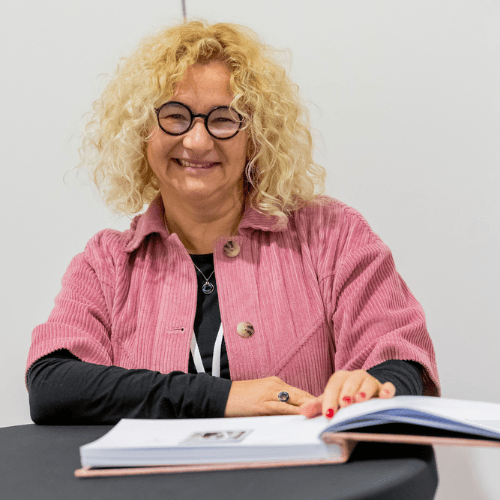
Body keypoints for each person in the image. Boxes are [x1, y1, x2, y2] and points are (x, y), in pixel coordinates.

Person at [26, 20, 440, 425]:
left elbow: (401, 365)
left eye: (223, 118)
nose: (197, 141)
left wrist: (371, 386)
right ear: (142, 131)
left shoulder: (333, 235)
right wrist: (222, 397)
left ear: (255, 135)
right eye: (174, 115)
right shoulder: (106, 263)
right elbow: (52, 385)